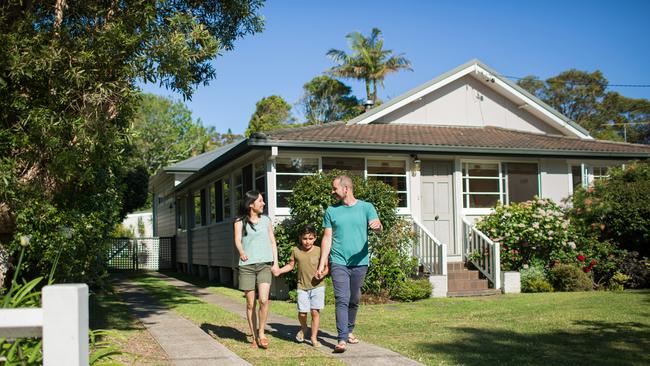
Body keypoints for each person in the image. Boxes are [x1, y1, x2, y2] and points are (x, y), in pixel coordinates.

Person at [316, 175, 382, 353]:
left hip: (360, 262)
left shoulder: (366, 207)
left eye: (335, 188)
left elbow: (377, 226)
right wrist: (322, 263)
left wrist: (378, 226)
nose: (332, 192)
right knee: (342, 299)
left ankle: (350, 329)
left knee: (354, 299)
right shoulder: (331, 210)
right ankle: (342, 338)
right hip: (338, 261)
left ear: (346, 189)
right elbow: (327, 237)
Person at [234, 190, 279, 349]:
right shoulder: (240, 221)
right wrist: (241, 252)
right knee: (250, 304)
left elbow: (273, 242)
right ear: (251, 204)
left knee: (264, 300)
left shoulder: (266, 220)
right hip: (247, 266)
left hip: (264, 265)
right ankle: (253, 337)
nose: (263, 203)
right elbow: (237, 240)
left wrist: (276, 263)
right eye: (260, 201)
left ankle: (261, 334)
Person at [273, 224, 328, 348]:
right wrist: (280, 271)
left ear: (315, 238)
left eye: (310, 238)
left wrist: (322, 274)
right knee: (302, 313)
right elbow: (291, 266)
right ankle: (304, 328)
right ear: (300, 238)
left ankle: (313, 337)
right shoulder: (296, 250)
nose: (307, 241)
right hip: (302, 286)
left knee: (315, 312)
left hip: (318, 286)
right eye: (304, 238)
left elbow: (326, 268)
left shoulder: (320, 250)